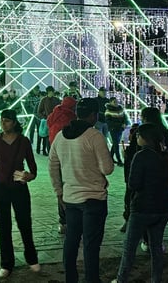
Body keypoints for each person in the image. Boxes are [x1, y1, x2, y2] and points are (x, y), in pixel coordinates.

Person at [48, 98, 114, 283]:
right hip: (93, 197)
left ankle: (71, 279)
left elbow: (52, 164)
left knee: (71, 242)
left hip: (70, 199)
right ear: (93, 115)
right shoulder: (94, 136)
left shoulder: (61, 136)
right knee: (91, 246)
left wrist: (58, 191)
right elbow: (107, 168)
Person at [0, 109, 40, 279]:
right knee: (4, 227)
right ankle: (6, 263)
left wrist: (30, 176)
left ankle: (31, 257)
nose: (3, 124)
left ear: (14, 122)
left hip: (19, 188)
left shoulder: (23, 141)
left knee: (24, 224)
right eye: (1, 120)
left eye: (6, 121)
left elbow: (33, 167)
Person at [112, 123, 168, 283]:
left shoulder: (141, 156)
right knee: (156, 247)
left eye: (138, 135)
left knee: (130, 247)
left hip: (142, 208)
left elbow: (133, 184)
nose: (136, 138)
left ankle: (121, 279)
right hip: (163, 207)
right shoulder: (166, 155)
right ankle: (156, 279)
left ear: (145, 138)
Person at [47, 95, 77, 234]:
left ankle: (63, 220)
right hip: (68, 155)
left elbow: (48, 123)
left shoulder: (55, 113)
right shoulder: (69, 117)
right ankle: (69, 219)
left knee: (60, 187)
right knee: (69, 186)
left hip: (54, 150)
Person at [36, 86, 61, 153]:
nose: (52, 93)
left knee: (53, 137)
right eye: (51, 92)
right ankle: (48, 151)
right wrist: (44, 118)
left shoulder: (57, 100)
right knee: (46, 137)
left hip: (55, 121)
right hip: (47, 121)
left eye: (52, 92)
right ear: (48, 92)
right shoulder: (44, 100)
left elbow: (60, 110)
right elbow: (39, 111)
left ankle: (52, 151)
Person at [105, 97, 129, 166]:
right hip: (113, 129)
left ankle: (110, 158)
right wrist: (120, 124)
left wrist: (125, 123)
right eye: (114, 102)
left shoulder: (120, 108)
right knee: (116, 144)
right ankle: (119, 160)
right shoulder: (108, 110)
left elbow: (125, 117)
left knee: (115, 144)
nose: (116, 103)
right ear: (110, 102)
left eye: (116, 101)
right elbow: (109, 122)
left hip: (120, 129)